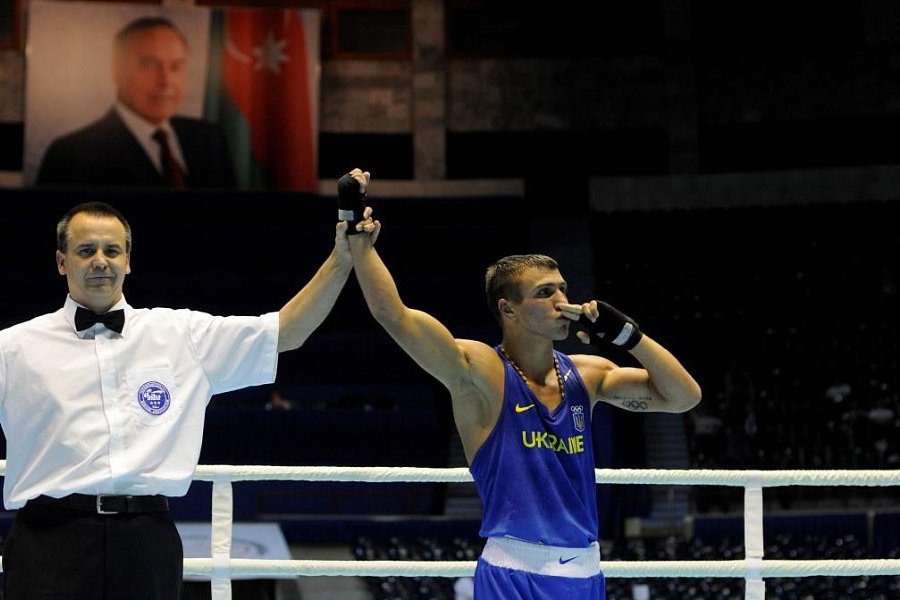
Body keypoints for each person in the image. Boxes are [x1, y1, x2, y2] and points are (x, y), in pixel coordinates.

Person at [342, 169, 702, 598]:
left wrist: (629, 336)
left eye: (563, 289)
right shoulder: (480, 370)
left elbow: (684, 397)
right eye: (544, 293)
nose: (562, 302)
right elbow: (393, 315)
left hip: (584, 572)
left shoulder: (588, 374)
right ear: (508, 309)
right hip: (512, 574)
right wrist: (357, 235)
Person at [0, 200, 362, 598]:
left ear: (128, 261)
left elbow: (287, 331)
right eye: (86, 250)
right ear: (61, 262)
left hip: (146, 542)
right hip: (47, 541)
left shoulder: (181, 334)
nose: (100, 261)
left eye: (111, 250)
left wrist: (342, 257)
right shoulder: (14, 348)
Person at [35, 16, 235, 189]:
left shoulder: (210, 140)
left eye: (176, 66)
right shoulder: (72, 155)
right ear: (117, 70)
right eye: (149, 65)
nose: (166, 81)